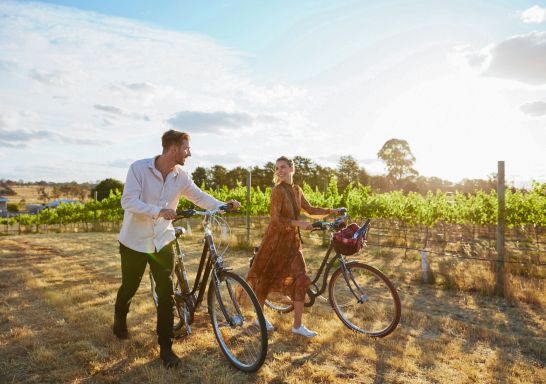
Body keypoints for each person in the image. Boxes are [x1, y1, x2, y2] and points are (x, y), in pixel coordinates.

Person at [113, 129, 241, 368]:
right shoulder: (138, 169)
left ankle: (165, 347)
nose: (189, 153)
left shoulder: (181, 176)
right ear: (173, 149)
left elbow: (199, 197)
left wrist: (222, 205)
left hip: (163, 240)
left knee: (166, 293)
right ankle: (120, 318)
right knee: (129, 287)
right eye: (186, 148)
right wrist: (158, 211)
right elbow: (127, 201)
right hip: (134, 242)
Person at [246, 156, 341, 338]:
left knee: (302, 279)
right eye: (276, 168)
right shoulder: (277, 191)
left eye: (283, 167)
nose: (279, 170)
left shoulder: (296, 190)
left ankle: (297, 325)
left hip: (292, 244)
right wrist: (298, 223)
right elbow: (275, 220)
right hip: (274, 243)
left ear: (292, 169)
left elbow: (310, 209)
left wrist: (331, 211)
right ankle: (260, 318)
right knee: (265, 280)